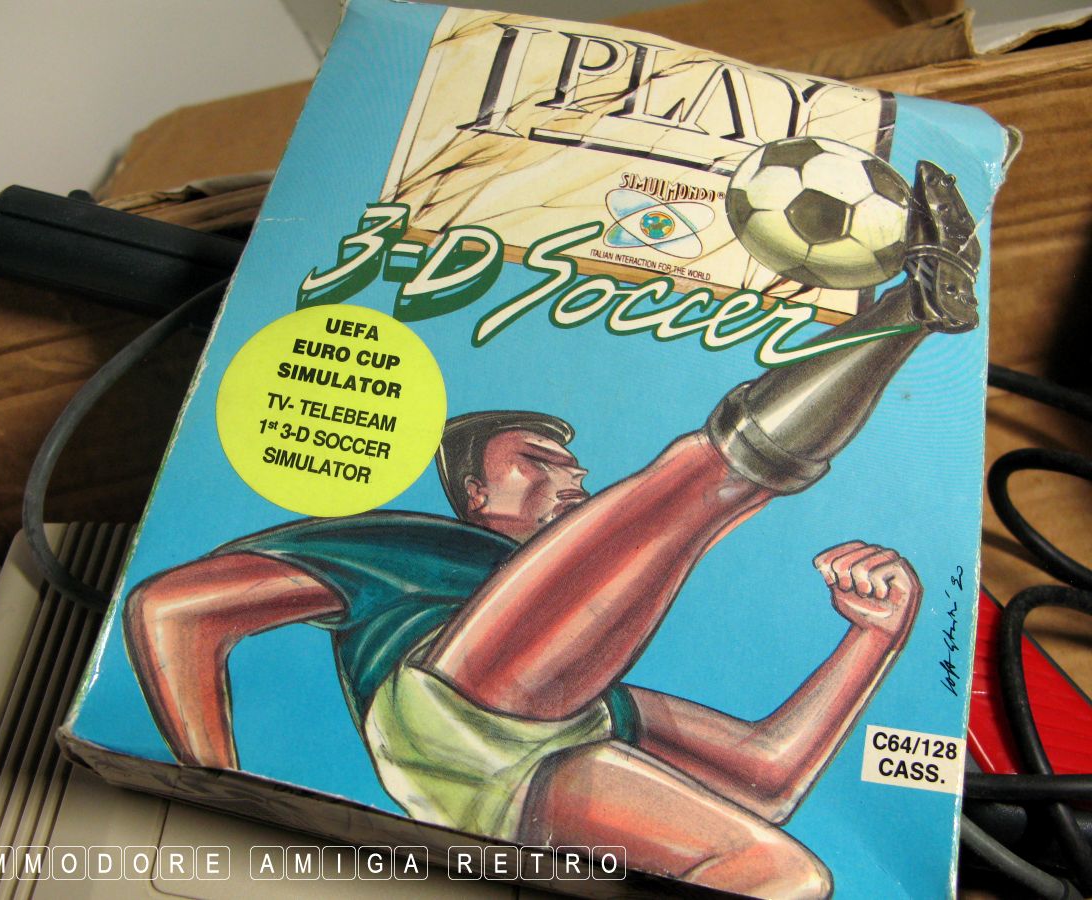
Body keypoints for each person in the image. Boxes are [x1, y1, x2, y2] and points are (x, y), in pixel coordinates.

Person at [123, 159, 978, 899]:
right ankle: (914, 304)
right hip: (444, 712)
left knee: (784, 877)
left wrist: (875, 638)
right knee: (706, 482)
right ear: (473, 493)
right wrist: (225, 798)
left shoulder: (581, 690)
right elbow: (171, 609)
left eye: (573, 468)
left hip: (515, 777)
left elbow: (767, 777)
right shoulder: (402, 546)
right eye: (536, 461)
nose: (573, 479)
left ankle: (916, 303)